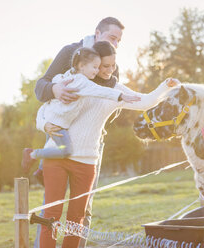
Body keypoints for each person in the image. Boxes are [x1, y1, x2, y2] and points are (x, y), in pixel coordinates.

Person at [37, 40, 180, 247]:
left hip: (86, 162)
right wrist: (44, 125)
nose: (109, 70)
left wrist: (164, 86)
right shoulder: (71, 81)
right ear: (92, 63)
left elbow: (146, 102)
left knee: (77, 219)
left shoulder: (116, 91)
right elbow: (45, 108)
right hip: (56, 157)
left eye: (113, 65)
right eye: (104, 66)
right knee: (50, 215)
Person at [32, 17, 125, 248]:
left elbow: (112, 106)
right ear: (97, 33)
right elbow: (40, 87)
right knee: (52, 206)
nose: (116, 44)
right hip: (60, 134)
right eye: (112, 37)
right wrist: (55, 89)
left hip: (91, 144)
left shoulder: (112, 69)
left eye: (119, 40)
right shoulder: (71, 52)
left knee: (84, 207)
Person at [21, 46, 139, 172]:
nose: (97, 70)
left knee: (61, 149)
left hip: (54, 120)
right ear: (82, 66)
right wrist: (121, 95)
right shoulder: (82, 82)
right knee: (65, 151)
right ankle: (33, 155)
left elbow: (49, 98)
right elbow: (100, 91)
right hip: (58, 125)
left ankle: (40, 169)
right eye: (94, 67)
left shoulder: (64, 76)